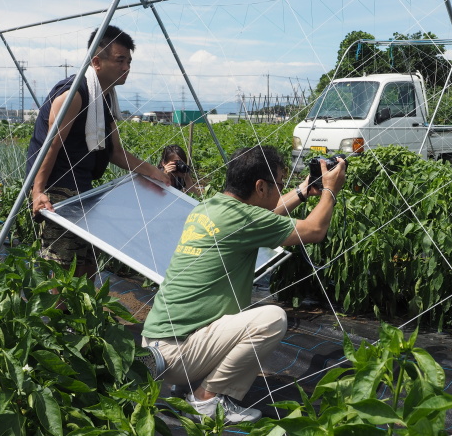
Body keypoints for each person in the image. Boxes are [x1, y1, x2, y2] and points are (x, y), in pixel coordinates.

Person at [142, 145, 346, 423]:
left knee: (241, 316)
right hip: (176, 356)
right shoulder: (241, 218)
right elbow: (314, 230)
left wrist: (299, 193)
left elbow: (266, 215)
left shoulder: (211, 207)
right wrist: (330, 190)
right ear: (260, 186)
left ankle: (190, 385)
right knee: (271, 318)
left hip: (154, 348)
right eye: (279, 184)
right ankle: (206, 400)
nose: (280, 189)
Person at [26, 25, 170, 279]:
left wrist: (151, 171)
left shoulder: (105, 96)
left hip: (82, 185)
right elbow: (52, 144)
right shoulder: (75, 94)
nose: (126, 67)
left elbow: (114, 151)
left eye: (129, 61)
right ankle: (58, 317)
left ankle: (83, 317)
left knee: (87, 261)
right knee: (62, 264)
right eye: (120, 60)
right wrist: (38, 192)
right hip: (57, 186)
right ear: (97, 61)